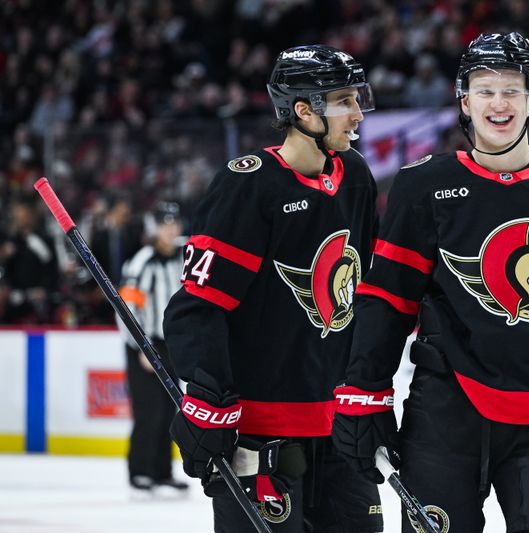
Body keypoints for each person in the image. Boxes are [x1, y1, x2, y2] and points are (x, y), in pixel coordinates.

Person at [331, 32, 529, 533]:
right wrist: (365, 390)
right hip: (444, 416)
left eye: (512, 88)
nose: (499, 102)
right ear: (464, 100)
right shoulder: (423, 187)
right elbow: (387, 301)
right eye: (485, 89)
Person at [164, 45, 382, 533]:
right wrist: (207, 396)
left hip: (340, 429)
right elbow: (197, 309)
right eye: (344, 100)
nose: (357, 114)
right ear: (304, 111)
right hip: (261, 435)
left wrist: (370, 389)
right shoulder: (249, 186)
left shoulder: (358, 179)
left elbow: (364, 295)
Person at [119, 201, 188, 496]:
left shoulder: (187, 255)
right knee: (149, 410)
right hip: (145, 345)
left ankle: (162, 473)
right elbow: (126, 308)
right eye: (164, 224)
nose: (170, 230)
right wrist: (142, 346)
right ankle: (140, 473)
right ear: (154, 227)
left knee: (170, 410)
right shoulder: (141, 261)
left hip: (173, 344)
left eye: (174, 224)